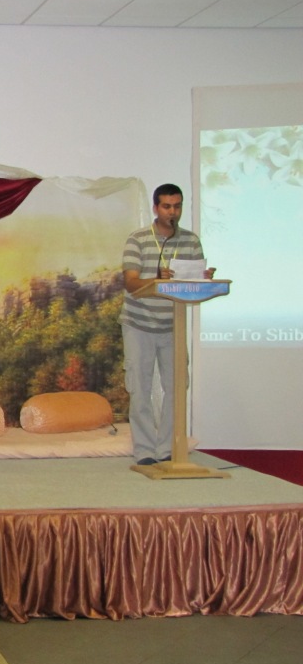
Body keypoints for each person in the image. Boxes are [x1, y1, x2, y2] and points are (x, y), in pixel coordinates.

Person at [121, 183, 215, 466]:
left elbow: (191, 282)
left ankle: (168, 449)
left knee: (176, 388)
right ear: (155, 208)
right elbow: (130, 282)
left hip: (173, 324)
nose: (173, 212)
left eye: (177, 206)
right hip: (139, 323)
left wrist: (204, 280)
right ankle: (145, 451)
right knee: (141, 388)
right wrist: (157, 280)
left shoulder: (190, 240)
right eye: (167, 206)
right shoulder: (137, 239)